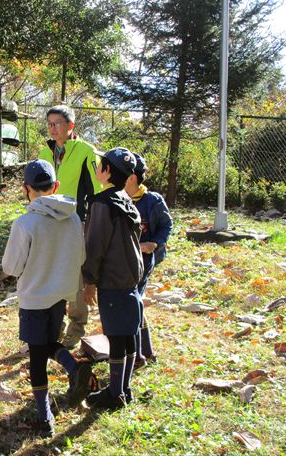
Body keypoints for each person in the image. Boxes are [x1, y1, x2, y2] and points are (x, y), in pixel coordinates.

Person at [2, 160, 90, 436]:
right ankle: (72, 367)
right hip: (59, 294)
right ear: (55, 186)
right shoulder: (73, 217)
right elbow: (81, 257)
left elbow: (11, 267)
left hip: (33, 296)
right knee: (47, 344)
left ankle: (45, 416)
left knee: (37, 356)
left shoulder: (25, 223)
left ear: (26, 188)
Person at [82, 148, 144, 410]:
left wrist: (89, 281)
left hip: (112, 281)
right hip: (130, 280)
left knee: (117, 338)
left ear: (106, 171)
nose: (97, 168)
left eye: (99, 164)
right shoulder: (125, 199)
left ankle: (115, 394)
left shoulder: (102, 203)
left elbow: (95, 246)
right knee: (128, 336)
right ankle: (124, 388)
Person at [38, 105, 102, 349]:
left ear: (70, 126)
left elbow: (95, 191)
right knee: (52, 272)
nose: (53, 128)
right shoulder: (45, 152)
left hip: (76, 222)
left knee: (76, 276)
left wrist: (91, 222)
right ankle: (56, 324)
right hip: (48, 222)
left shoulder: (86, 151)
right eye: (50, 123)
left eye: (57, 123)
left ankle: (77, 327)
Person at [124, 153, 173, 369]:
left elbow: (166, 224)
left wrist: (154, 242)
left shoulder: (152, 201)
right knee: (135, 303)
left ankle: (138, 354)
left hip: (143, 259)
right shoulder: (117, 198)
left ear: (132, 177)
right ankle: (145, 350)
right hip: (123, 260)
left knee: (133, 302)